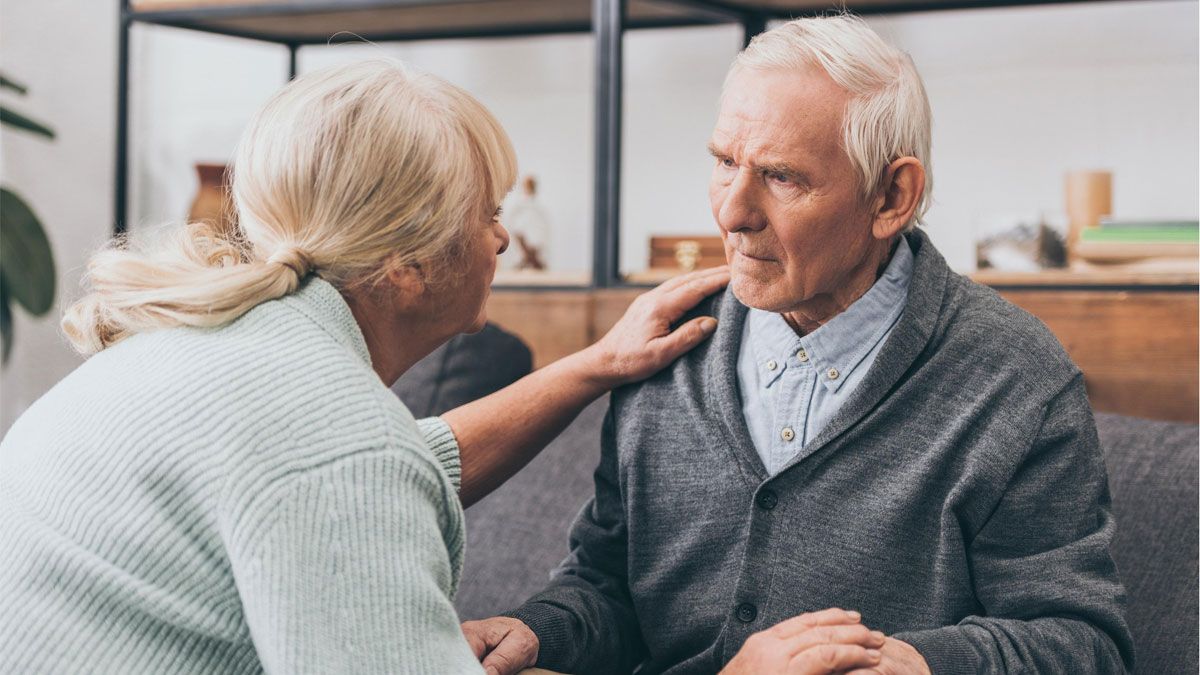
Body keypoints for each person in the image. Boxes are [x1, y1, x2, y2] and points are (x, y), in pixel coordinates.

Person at [0, 59, 730, 674]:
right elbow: (352, 467)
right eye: (487, 213)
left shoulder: (212, 345)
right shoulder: (338, 446)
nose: (503, 238)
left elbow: (398, 461)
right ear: (407, 267)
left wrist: (594, 365)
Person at [464, 14, 1134, 675]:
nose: (732, 212)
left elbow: (1082, 644)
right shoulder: (664, 346)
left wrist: (920, 663)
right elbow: (606, 584)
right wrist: (539, 630)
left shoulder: (1015, 378)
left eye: (782, 177)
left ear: (892, 197)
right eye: (725, 162)